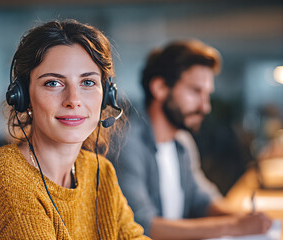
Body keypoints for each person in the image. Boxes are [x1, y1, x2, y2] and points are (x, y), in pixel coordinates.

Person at [0, 20, 149, 239]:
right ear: (23, 97)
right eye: (53, 83)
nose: (73, 100)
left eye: (88, 82)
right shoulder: (5, 179)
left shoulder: (100, 173)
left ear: (106, 96)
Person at [113, 40, 272, 239]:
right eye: (196, 91)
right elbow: (141, 225)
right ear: (160, 87)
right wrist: (233, 226)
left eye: (207, 95)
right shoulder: (126, 144)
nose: (205, 107)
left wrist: (244, 218)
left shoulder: (182, 142)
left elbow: (202, 200)